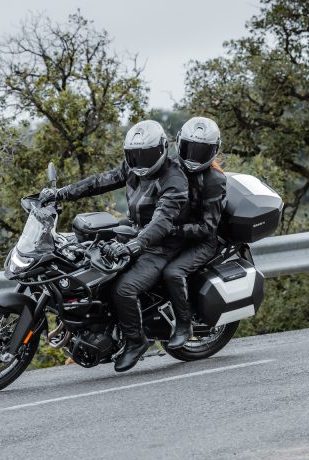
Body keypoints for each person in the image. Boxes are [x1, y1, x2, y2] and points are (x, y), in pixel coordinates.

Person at [38, 120, 188, 372]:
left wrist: (134, 245)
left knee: (124, 289)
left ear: (162, 149)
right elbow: (100, 181)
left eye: (146, 155)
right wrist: (61, 193)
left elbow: (162, 221)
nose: (140, 161)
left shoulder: (174, 179)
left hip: (162, 244)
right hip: (135, 231)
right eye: (134, 155)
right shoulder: (133, 167)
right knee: (84, 257)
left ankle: (136, 341)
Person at [162, 116, 227, 349]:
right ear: (179, 143)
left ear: (213, 150)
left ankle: (184, 324)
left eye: (201, 151)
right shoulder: (171, 167)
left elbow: (207, 227)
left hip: (202, 241)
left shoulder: (214, 180)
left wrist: (173, 230)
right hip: (174, 233)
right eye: (190, 148)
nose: (193, 157)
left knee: (173, 272)